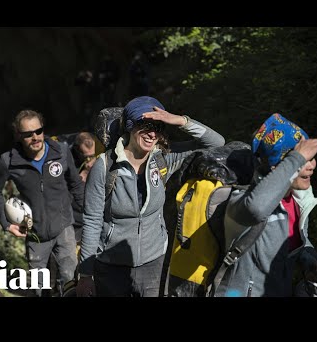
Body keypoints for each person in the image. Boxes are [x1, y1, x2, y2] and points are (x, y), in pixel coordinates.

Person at [76, 96, 225, 297]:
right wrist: (86, 274)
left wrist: (180, 120)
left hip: (154, 262)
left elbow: (216, 143)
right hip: (111, 265)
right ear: (129, 126)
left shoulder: (163, 159)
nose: (152, 133)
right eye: (145, 125)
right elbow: (92, 221)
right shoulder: (104, 167)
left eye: (158, 127)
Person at [214, 113, 317, 297]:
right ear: (277, 167)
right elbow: (255, 210)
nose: (312, 165)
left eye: (312, 157)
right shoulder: (242, 199)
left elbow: (294, 239)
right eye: (304, 160)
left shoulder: (297, 200)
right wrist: (296, 160)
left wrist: (311, 259)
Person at [0, 109, 84, 296]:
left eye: (38, 131)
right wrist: (6, 224)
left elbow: (76, 185)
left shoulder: (61, 151)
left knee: (70, 281)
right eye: (28, 134)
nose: (35, 137)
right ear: (18, 135)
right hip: (35, 235)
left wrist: (87, 216)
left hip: (64, 229)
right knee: (39, 287)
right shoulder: (8, 162)